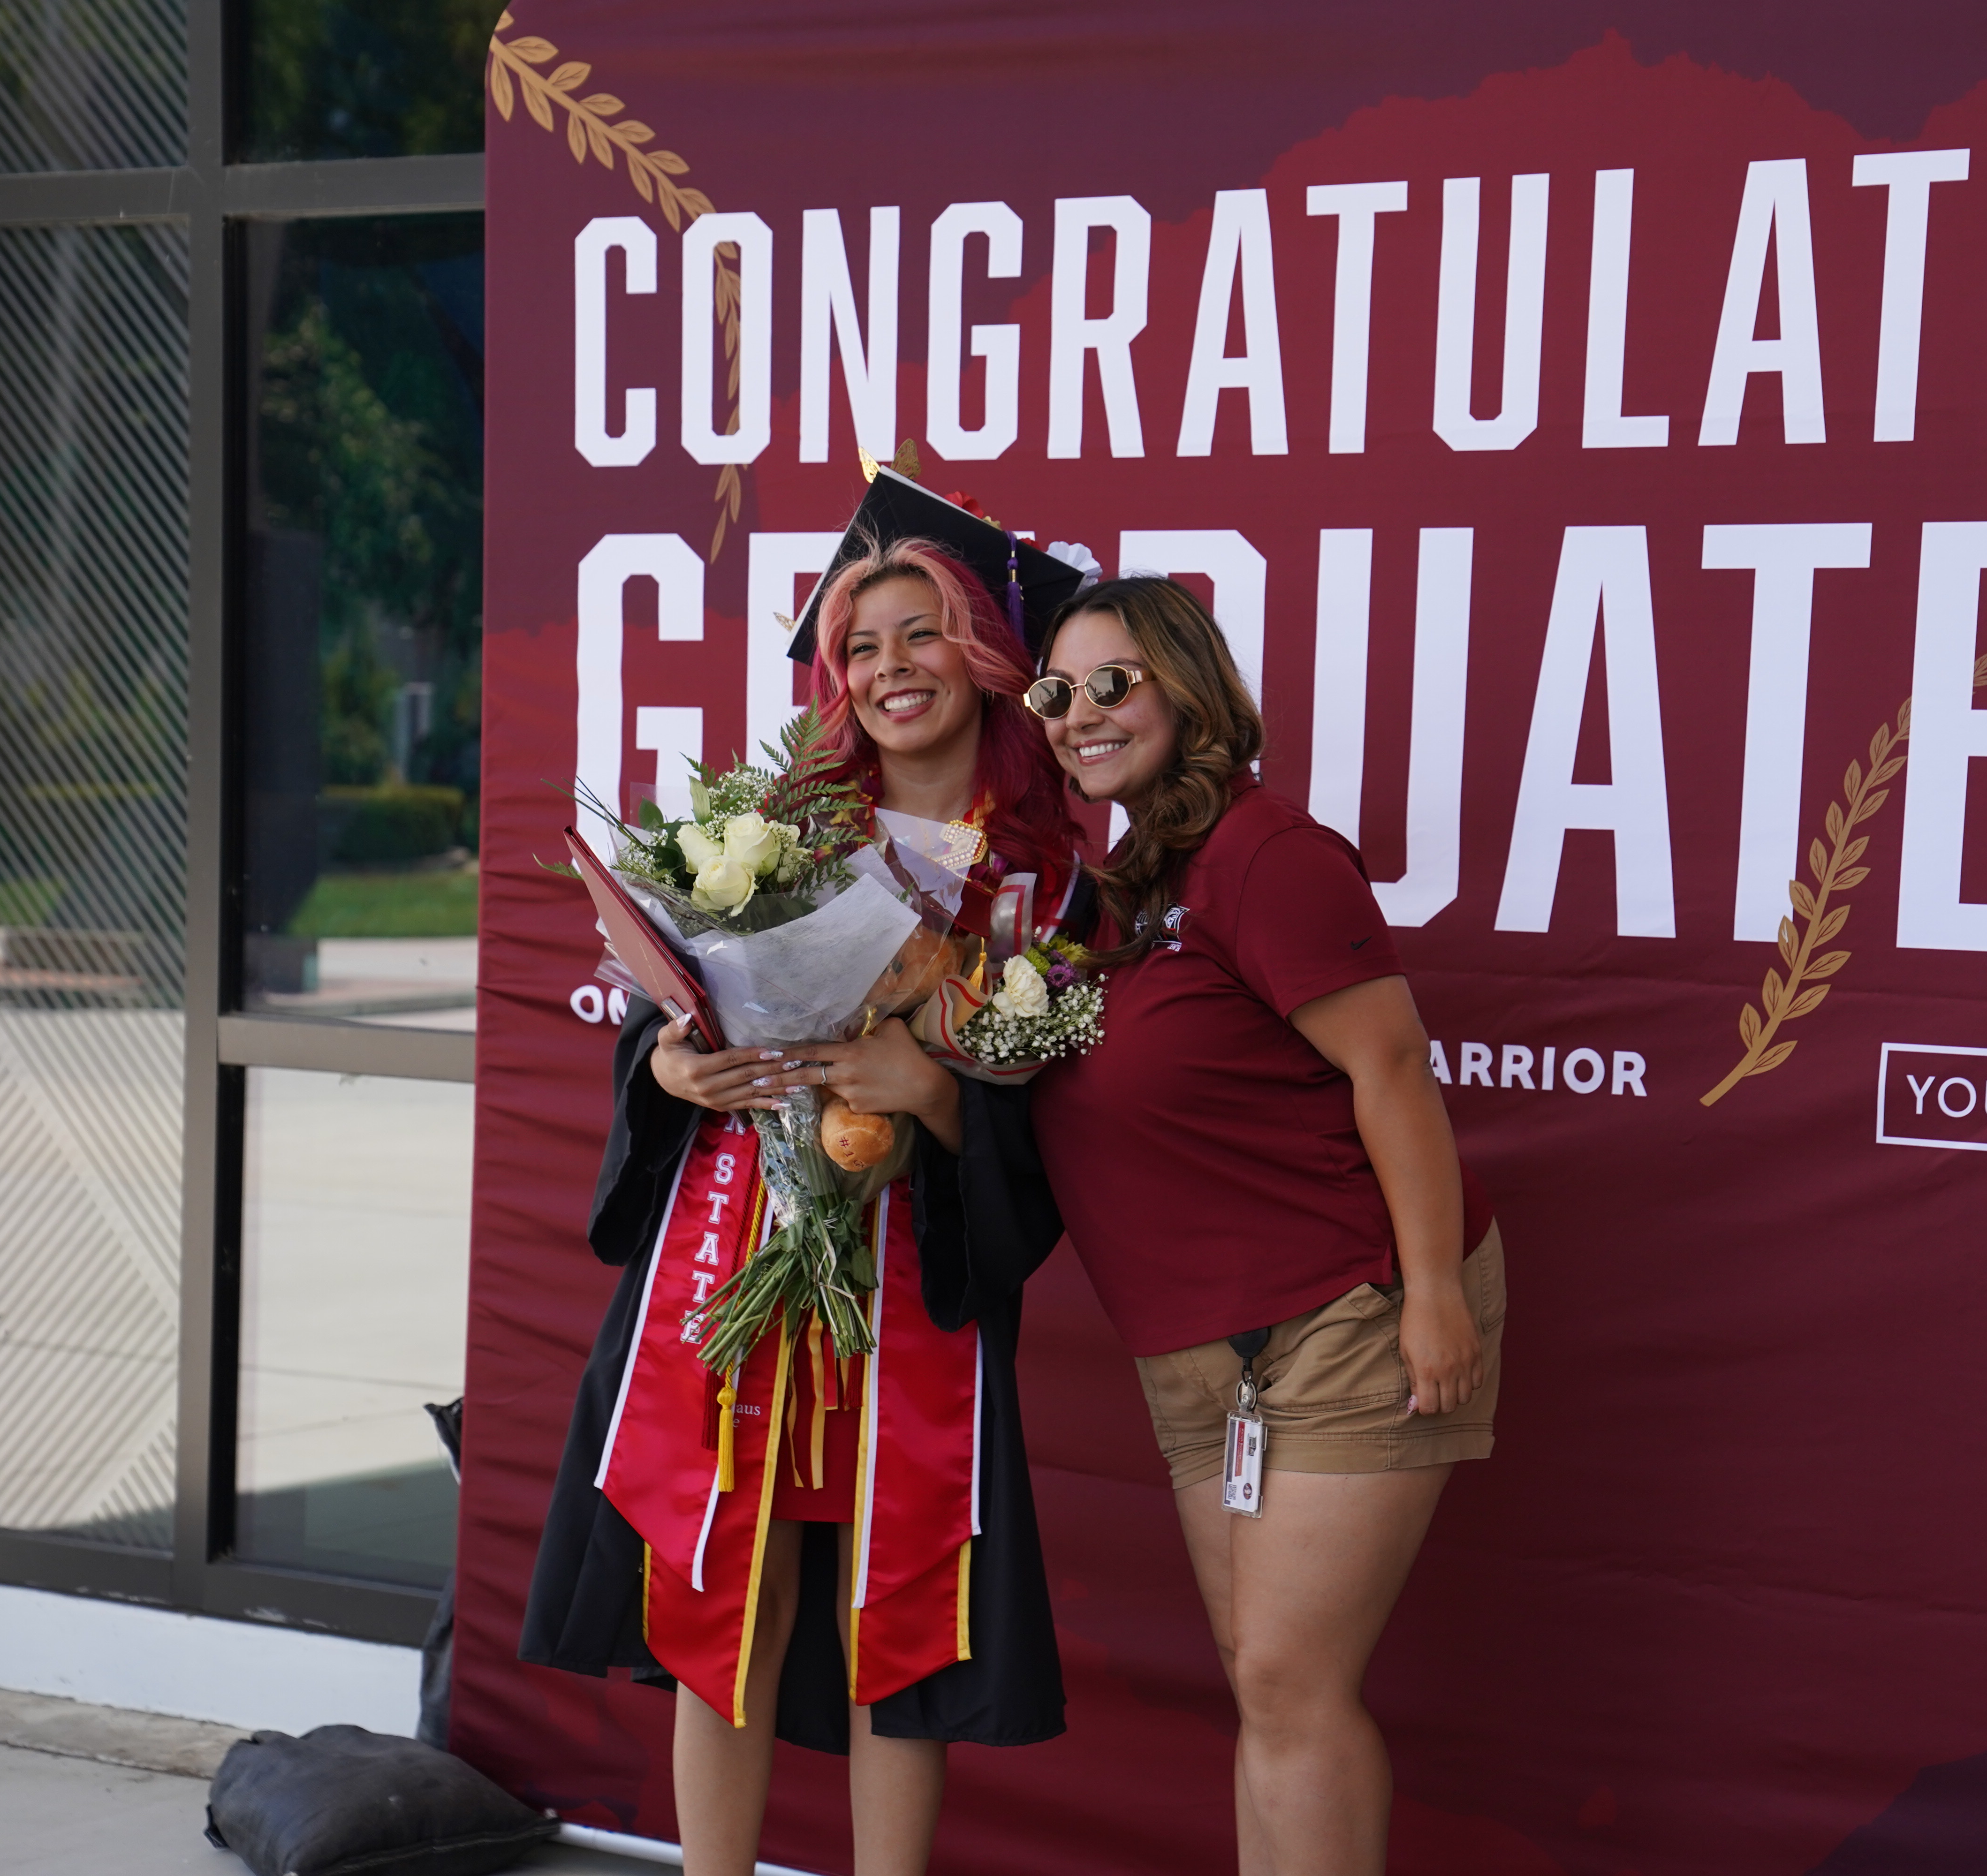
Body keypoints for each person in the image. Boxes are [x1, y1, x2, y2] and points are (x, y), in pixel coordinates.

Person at [523, 535, 1081, 1876]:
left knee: (894, 1600)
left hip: (909, 1294)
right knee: (735, 1591)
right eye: (862, 647)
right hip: (739, 1252)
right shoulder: (778, 833)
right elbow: (675, 1024)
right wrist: (671, 1065)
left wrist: (932, 1097)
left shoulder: (1050, 880)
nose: (893, 669)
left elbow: (1056, 1125)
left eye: (923, 633)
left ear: (986, 655)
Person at [1023, 576, 1506, 1875]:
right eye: (1056, 692)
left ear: (1190, 686)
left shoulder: (1266, 852)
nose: (1081, 713)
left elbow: (1392, 1069)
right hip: (1198, 1352)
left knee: (1292, 1682)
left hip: (1343, 1314)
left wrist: (1432, 1297)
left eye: (1112, 681)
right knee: (1266, 1685)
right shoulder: (1128, 879)